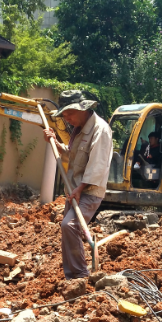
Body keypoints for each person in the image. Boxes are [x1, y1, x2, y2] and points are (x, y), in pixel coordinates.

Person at [43, 90, 113, 280]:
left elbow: (97, 166)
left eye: (69, 113)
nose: (66, 118)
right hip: (74, 189)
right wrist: (55, 142)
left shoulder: (100, 130)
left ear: (83, 109)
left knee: (69, 226)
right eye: (63, 114)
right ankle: (71, 277)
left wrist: (80, 189)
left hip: (88, 190)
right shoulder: (78, 129)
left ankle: (80, 275)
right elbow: (71, 155)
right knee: (69, 230)